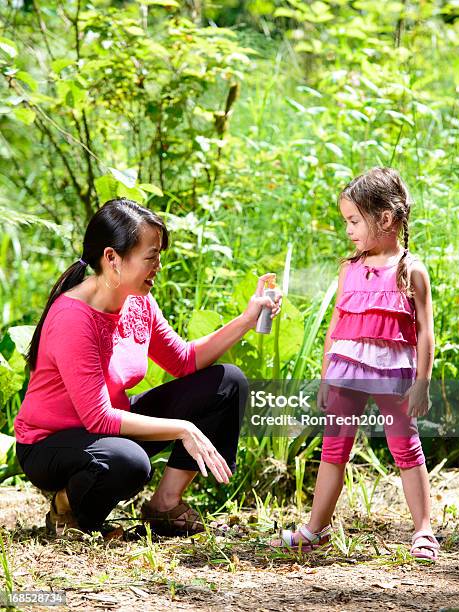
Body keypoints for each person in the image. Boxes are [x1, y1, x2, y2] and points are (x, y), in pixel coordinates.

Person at [14, 198, 281, 537]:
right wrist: (183, 428)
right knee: (128, 463)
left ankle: (165, 505)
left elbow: (184, 361)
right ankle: (71, 510)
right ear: (112, 258)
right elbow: (98, 418)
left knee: (226, 382)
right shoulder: (73, 318)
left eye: (159, 256)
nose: (158, 266)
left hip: (107, 426)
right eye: (151, 256)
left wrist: (247, 319)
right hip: (50, 444)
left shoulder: (139, 302)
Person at [272, 167, 440, 561]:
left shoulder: (411, 270)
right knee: (334, 447)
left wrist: (423, 382)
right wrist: (327, 374)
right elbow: (337, 321)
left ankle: (423, 530)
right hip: (346, 369)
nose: (348, 229)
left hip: (393, 373)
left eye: (353, 221)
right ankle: (316, 529)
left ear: (385, 219)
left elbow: (426, 333)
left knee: (405, 446)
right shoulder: (349, 268)